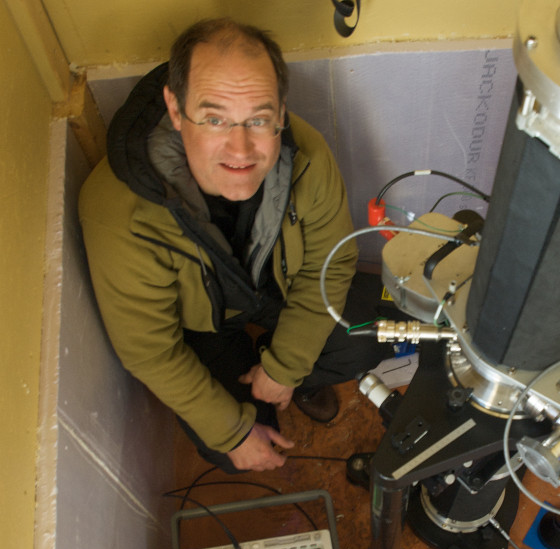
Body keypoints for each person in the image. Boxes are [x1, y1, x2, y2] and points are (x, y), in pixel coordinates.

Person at [79, 18, 381, 473]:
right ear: (176, 109)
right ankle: (254, 379)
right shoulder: (117, 208)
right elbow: (150, 350)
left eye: (259, 119)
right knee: (225, 445)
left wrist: (285, 366)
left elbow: (331, 263)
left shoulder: (306, 154)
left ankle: (284, 378)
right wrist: (234, 432)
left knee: (373, 331)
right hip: (204, 325)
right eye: (215, 118)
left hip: (279, 289)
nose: (240, 150)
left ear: (280, 110)